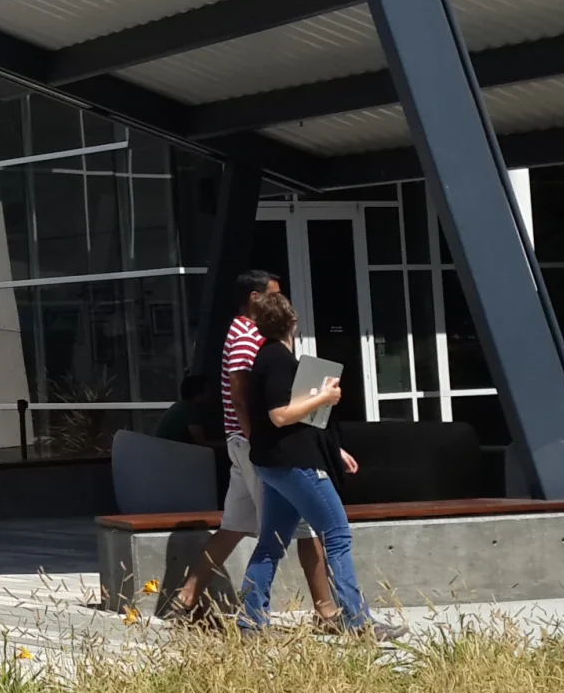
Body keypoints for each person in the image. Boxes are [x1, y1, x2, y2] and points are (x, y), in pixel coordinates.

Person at [167, 273, 341, 626]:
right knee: (304, 529)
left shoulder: (240, 334)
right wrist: (256, 439)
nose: (282, 303)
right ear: (255, 298)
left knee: (234, 526)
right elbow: (239, 393)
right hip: (253, 446)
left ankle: (186, 598)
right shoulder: (248, 337)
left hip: (242, 444)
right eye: (275, 296)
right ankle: (325, 612)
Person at [239, 294, 395, 638]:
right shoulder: (278, 360)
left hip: (273, 463)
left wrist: (334, 450)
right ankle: (357, 621)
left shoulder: (265, 357)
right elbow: (280, 416)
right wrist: (324, 397)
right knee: (337, 534)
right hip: (295, 464)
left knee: (271, 544)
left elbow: (291, 415)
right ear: (293, 323)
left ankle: (251, 622)